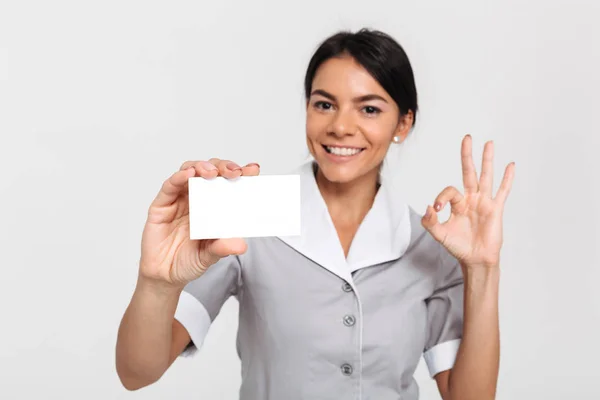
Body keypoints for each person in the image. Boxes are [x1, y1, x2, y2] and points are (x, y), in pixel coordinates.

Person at [115, 28, 515, 400]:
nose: (340, 126)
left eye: (369, 109)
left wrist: (482, 269)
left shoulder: (429, 244)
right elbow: (137, 372)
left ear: (403, 123)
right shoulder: (248, 216)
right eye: (324, 104)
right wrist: (156, 283)